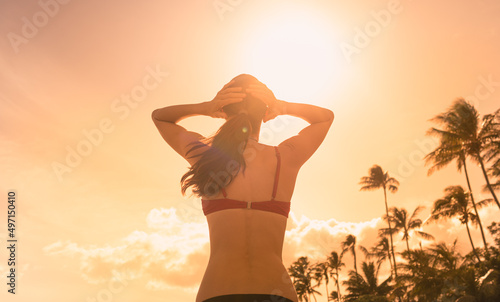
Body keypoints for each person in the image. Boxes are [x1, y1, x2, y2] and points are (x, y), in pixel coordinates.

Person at [152, 74, 334, 302]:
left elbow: (160, 118)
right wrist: (281, 107)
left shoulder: (206, 158)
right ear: (265, 114)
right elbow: (325, 118)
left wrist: (206, 108)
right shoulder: (284, 158)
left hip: (217, 292)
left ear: (223, 113)